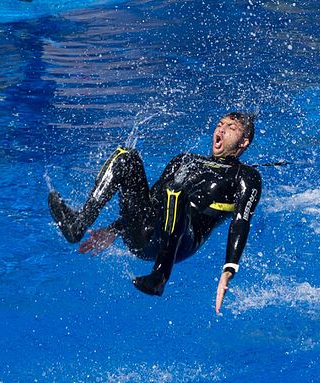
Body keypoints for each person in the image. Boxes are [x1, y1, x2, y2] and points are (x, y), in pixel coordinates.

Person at [48, 112, 262, 314]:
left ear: (243, 142)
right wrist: (114, 229)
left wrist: (229, 269)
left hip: (180, 244)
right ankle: (78, 224)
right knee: (126, 157)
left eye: (231, 128)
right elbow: (150, 203)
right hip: (145, 234)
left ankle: (159, 276)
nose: (222, 130)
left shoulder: (245, 176)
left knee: (176, 191)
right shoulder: (185, 160)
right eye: (220, 125)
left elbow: (241, 221)